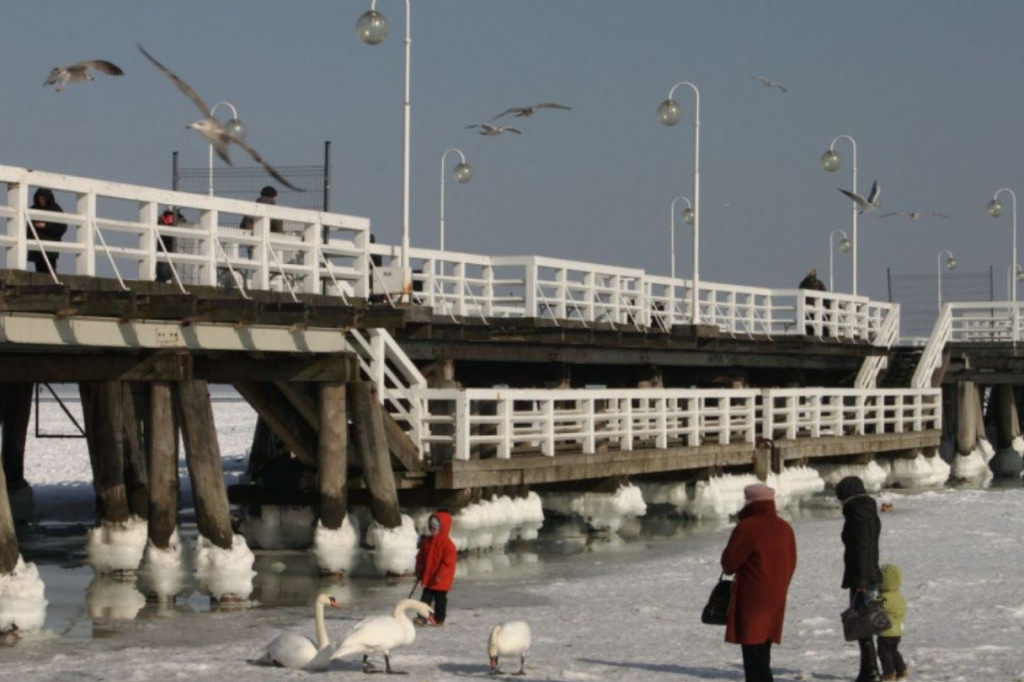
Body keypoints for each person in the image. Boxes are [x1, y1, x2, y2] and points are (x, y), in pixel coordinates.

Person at [720, 484, 797, 682]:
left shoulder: (748, 527)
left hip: (752, 599)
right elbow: (792, 562)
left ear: (749, 502)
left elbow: (729, 563)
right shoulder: (784, 527)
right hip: (776, 595)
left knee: (754, 654)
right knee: (763, 650)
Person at [836, 475, 884, 682]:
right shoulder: (866, 511)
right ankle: (871, 669)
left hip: (862, 577)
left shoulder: (858, 513)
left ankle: (871, 671)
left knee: (864, 623)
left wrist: (862, 582)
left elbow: (862, 549)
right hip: (866, 573)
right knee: (866, 622)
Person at [414, 510, 457, 627]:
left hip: (441, 580)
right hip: (429, 578)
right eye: (431, 527)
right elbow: (420, 557)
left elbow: (447, 563)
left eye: (435, 528)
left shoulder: (448, 546)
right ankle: (422, 617)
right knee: (425, 599)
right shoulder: (427, 543)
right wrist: (419, 571)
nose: (432, 530)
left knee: (440, 600)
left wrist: (440, 575)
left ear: (442, 528)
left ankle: (439, 618)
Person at [877, 563, 908, 680]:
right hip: (898, 631)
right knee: (893, 650)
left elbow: (878, 608)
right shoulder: (900, 597)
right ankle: (901, 669)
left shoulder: (885, 598)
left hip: (887, 631)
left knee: (883, 652)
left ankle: (889, 673)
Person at [25, 188, 67, 273]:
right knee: (39, 271)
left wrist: (45, 226)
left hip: (50, 248)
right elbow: (27, 228)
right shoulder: (33, 209)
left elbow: (61, 229)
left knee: (50, 270)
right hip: (37, 248)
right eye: (39, 199)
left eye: (44, 199)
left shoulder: (55, 209)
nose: (41, 201)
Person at [798, 268, 827, 336]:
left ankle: (808, 334)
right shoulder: (819, 283)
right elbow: (825, 296)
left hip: (806, 308)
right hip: (817, 307)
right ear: (814, 274)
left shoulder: (803, 283)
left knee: (808, 325)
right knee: (818, 324)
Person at [155, 209, 178, 283]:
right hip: (163, 250)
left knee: (165, 272)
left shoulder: (160, 224)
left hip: (168, 250)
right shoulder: (160, 225)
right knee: (163, 272)